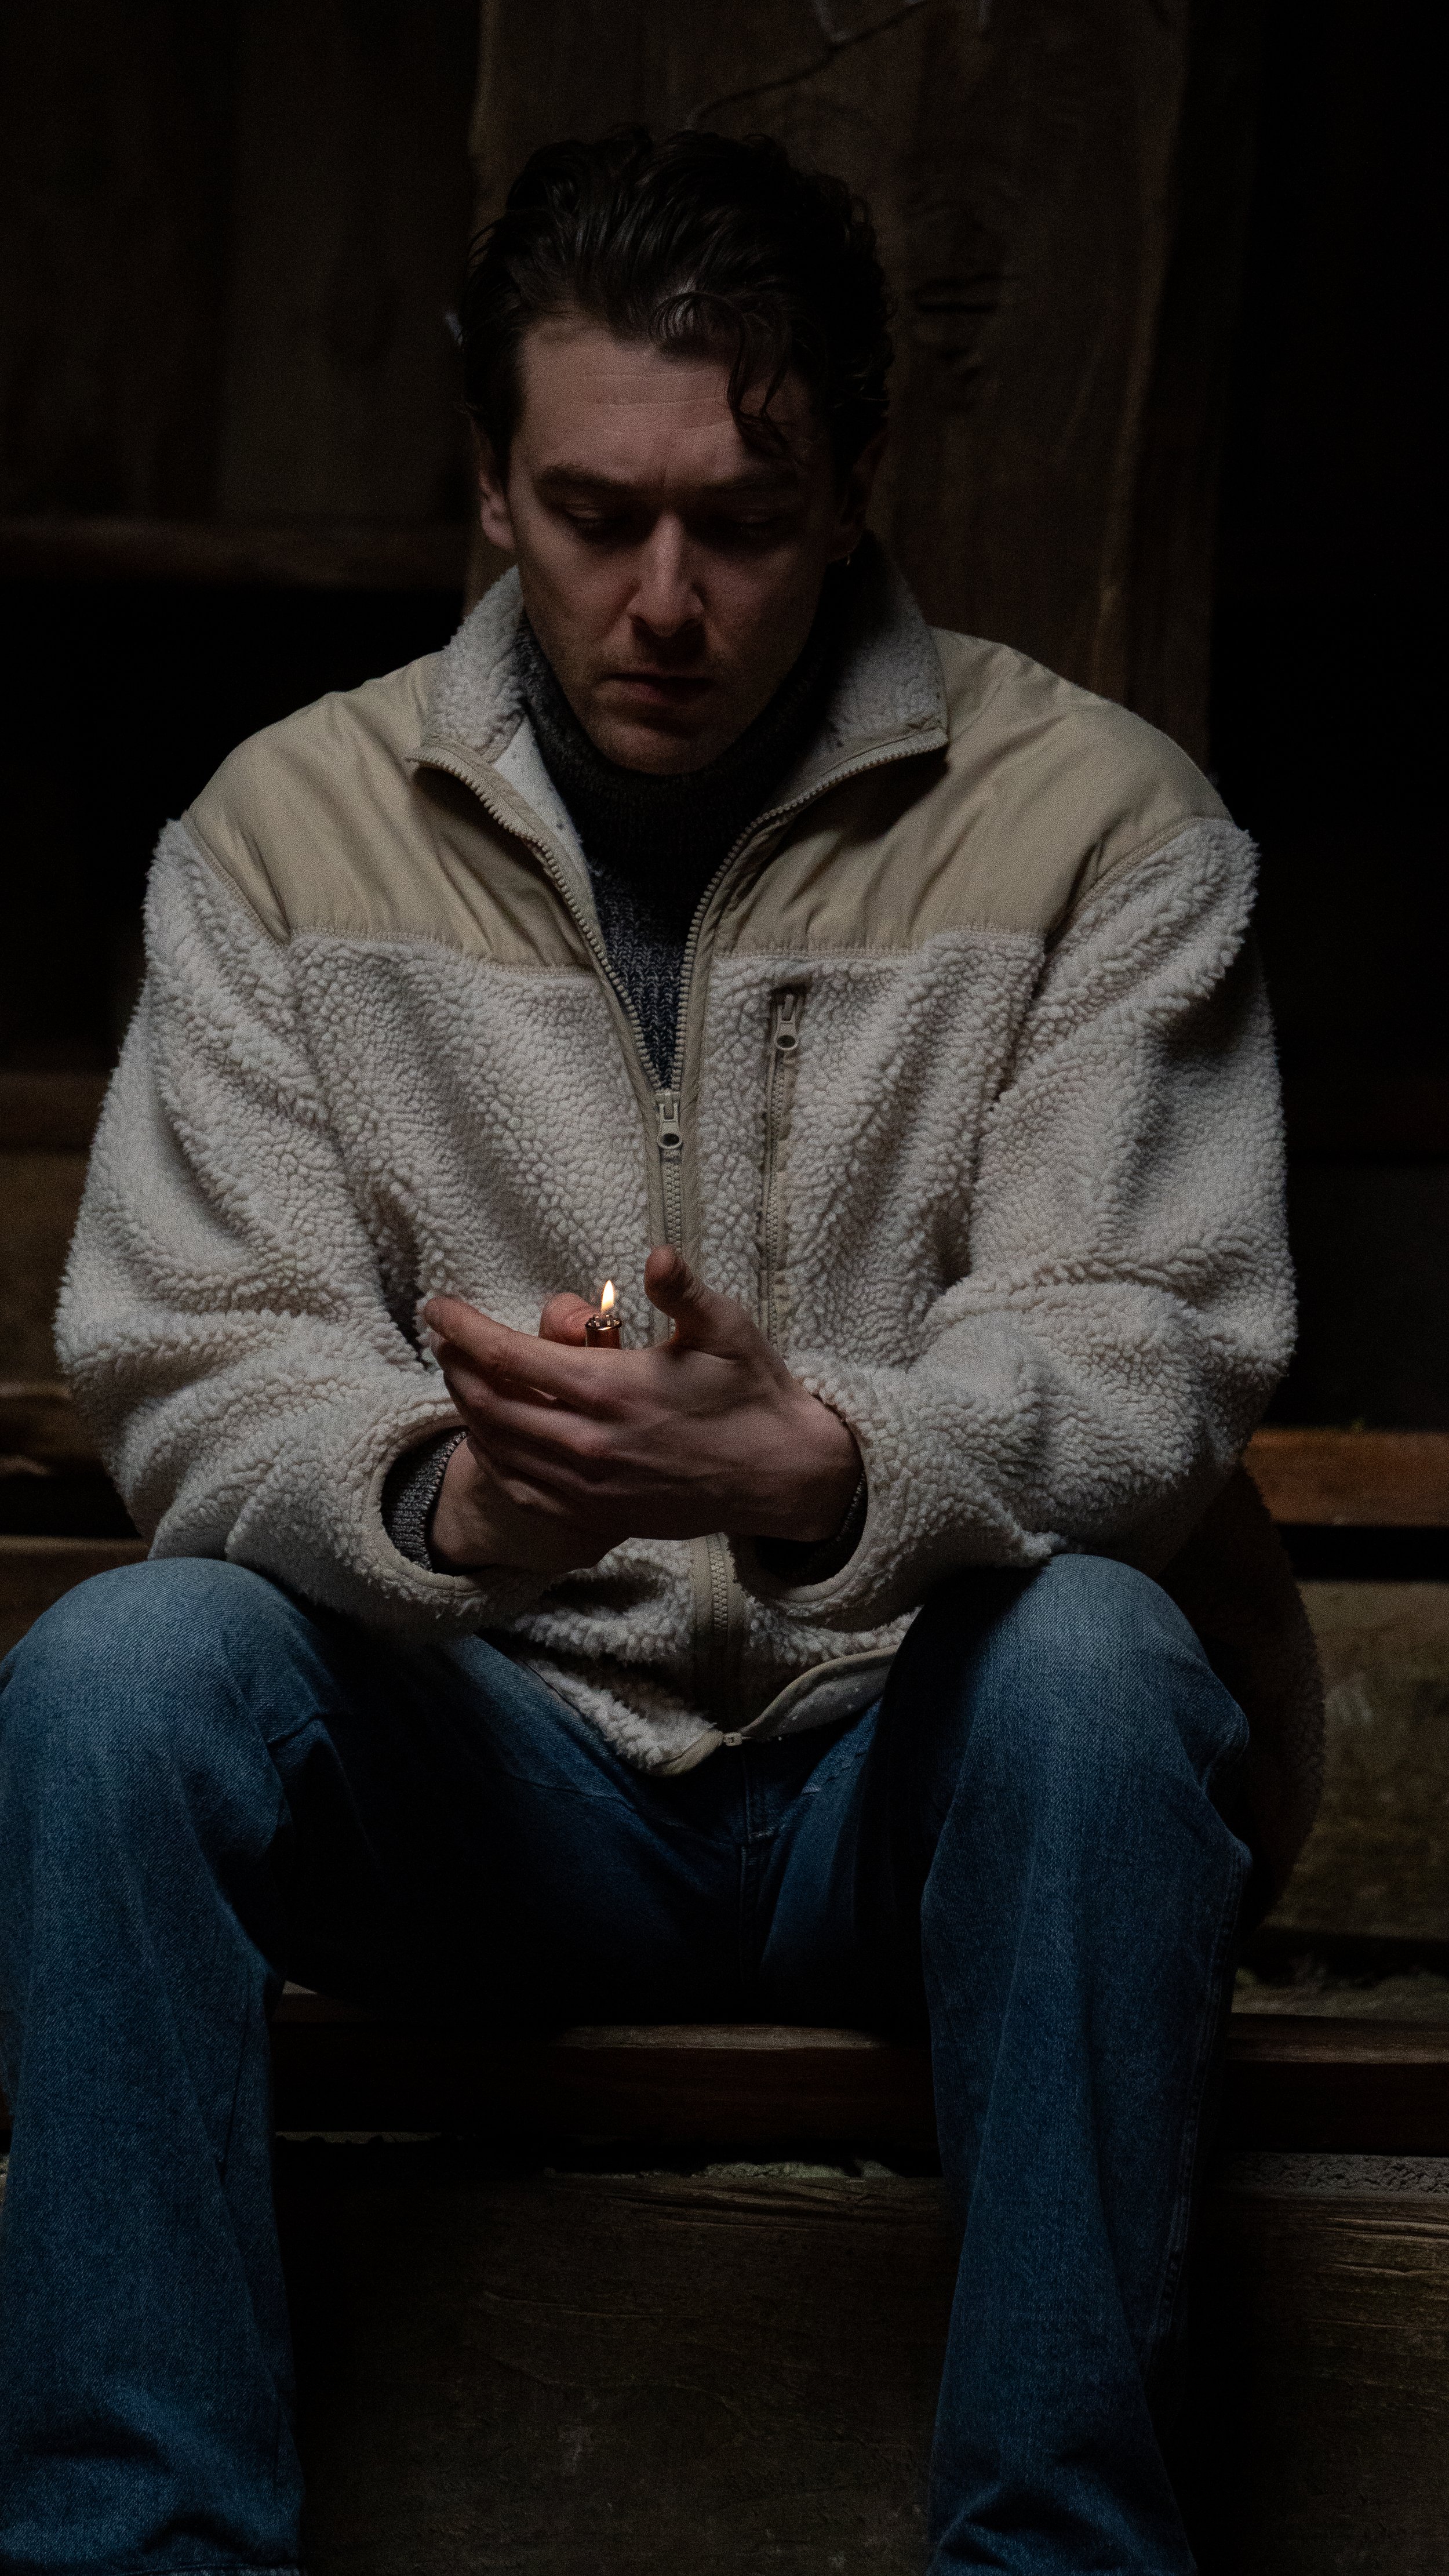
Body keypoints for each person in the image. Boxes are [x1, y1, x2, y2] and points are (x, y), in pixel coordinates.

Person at [0, 128, 1319, 2575]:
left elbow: (1148, 1343)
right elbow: (192, 1349)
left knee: (1106, 1662)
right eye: (596, 512)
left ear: (858, 479)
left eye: (744, 513)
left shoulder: (1103, 832)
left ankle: (1056, 2555)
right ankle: (138, 2551)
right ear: (488, 486)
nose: (671, 596)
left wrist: (825, 1460)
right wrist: (441, 1502)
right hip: (487, 1768)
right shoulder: (285, 836)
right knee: (112, 1680)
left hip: (893, 1777)